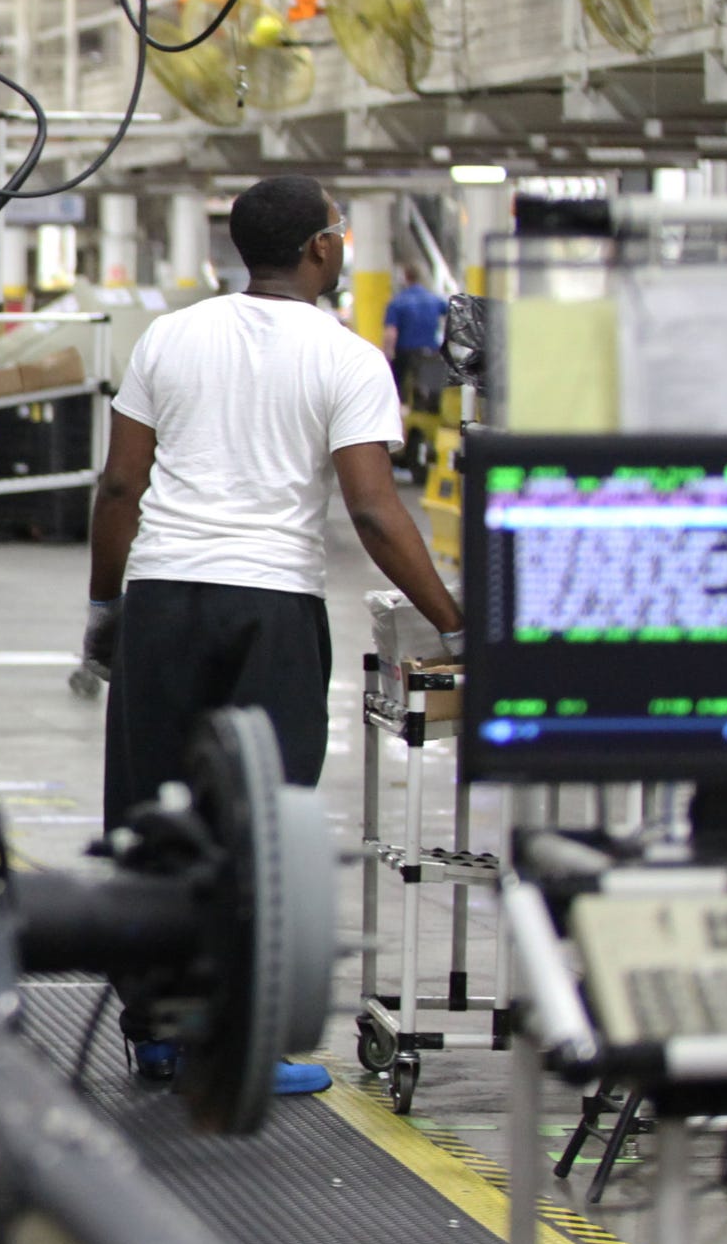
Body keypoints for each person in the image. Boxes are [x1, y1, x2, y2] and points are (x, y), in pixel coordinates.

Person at [88, 176, 463, 827]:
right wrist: (453, 626)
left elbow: (121, 485)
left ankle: (145, 925)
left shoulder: (167, 337)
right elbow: (373, 511)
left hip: (162, 598)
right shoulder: (348, 358)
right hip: (273, 608)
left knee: (147, 814)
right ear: (320, 248)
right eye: (340, 230)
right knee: (263, 823)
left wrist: (104, 604)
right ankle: (243, 928)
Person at [381, 260, 449, 414]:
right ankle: (429, 423)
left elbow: (391, 331)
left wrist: (387, 354)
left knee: (401, 396)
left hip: (405, 355)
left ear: (405, 278)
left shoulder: (397, 302)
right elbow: (452, 314)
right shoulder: (434, 299)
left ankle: (405, 419)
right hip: (431, 352)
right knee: (431, 399)